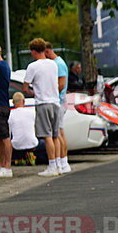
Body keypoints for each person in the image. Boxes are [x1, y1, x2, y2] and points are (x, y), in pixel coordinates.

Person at [22, 38, 60, 177]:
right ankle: (59, 164)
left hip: (43, 102)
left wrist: (32, 92)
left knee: (47, 136)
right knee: (56, 136)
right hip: (55, 102)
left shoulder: (33, 66)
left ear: (33, 51)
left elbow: (25, 87)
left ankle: (51, 166)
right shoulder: (53, 64)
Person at [44, 42, 71, 173]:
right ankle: (64, 161)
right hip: (61, 101)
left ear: (47, 52)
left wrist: (50, 90)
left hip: (59, 101)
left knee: (58, 133)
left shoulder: (58, 64)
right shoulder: (60, 62)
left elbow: (61, 84)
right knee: (60, 132)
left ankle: (61, 161)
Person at [8, 92, 42, 166]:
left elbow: (9, 134)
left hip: (16, 146)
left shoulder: (10, 115)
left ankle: (20, 158)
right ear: (24, 101)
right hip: (33, 144)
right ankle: (31, 156)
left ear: (13, 103)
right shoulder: (32, 112)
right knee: (44, 142)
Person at [0, 43, 12, 178]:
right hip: (1, 104)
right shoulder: (4, 65)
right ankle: (1, 164)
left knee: (4, 136)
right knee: (0, 138)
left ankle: (7, 167)